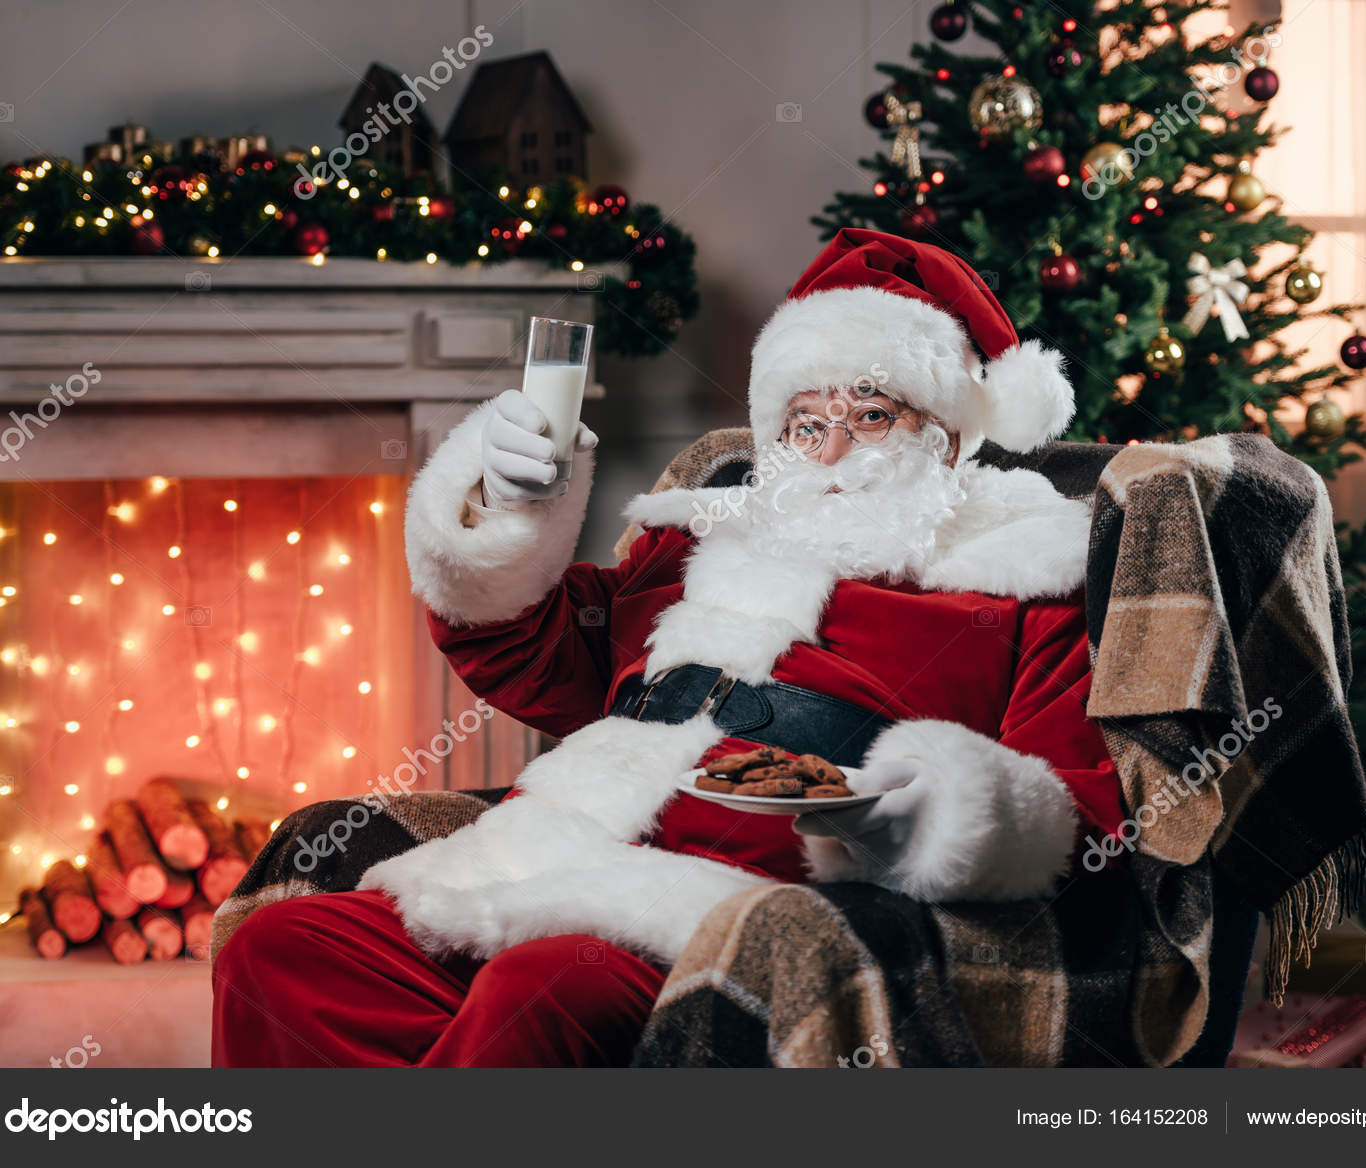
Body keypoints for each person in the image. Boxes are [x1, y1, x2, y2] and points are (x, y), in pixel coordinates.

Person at [212, 228, 1126, 1068]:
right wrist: (502, 509)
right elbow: (531, 655)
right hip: (549, 847)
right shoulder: (698, 542)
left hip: (742, 913)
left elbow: (1081, 810)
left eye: (875, 415)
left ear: (951, 436)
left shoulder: (1023, 579)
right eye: (807, 423)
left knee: (544, 988)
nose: (836, 449)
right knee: (280, 951)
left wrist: (926, 818)